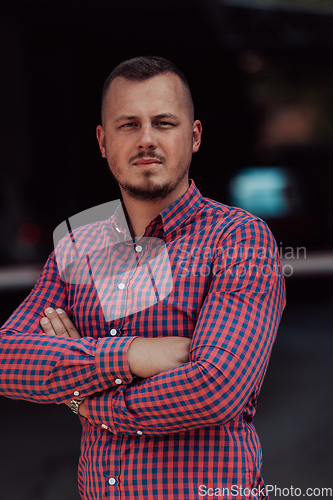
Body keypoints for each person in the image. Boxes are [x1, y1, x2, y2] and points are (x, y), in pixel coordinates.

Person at [0, 56, 286, 500]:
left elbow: (215, 388)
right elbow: (7, 357)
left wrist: (81, 397)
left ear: (193, 137)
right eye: (128, 125)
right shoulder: (77, 248)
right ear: (102, 141)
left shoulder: (239, 240)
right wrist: (133, 355)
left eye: (164, 123)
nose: (146, 139)